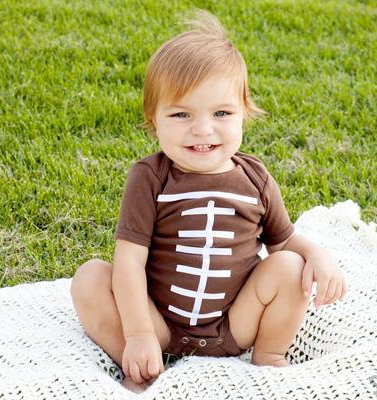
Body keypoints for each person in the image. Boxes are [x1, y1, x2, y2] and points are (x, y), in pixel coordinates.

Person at [70, 9, 347, 393]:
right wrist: (138, 333)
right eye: (181, 114)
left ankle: (269, 358)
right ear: (155, 119)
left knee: (289, 266)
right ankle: (143, 368)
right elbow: (130, 261)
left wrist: (318, 255)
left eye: (221, 113)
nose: (203, 129)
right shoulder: (150, 176)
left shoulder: (255, 178)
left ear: (244, 114)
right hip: (161, 325)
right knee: (90, 279)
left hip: (235, 325)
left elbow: (283, 241)